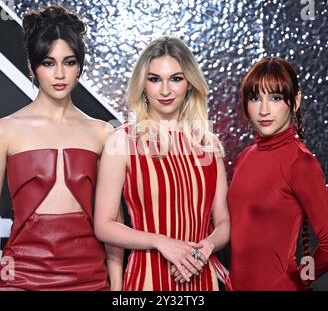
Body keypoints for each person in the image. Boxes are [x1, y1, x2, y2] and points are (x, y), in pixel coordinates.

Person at [0, 5, 122, 291]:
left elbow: (114, 218)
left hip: (89, 277)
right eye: (48, 62)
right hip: (22, 275)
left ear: (80, 65)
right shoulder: (2, 131)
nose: (59, 74)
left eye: (69, 62)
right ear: (32, 66)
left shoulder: (103, 133)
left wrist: (116, 285)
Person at [94, 36, 230, 291]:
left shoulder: (207, 145)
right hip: (146, 280)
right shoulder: (122, 141)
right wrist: (161, 242)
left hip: (202, 279)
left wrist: (205, 248)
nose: (165, 90)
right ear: (143, 85)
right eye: (155, 79)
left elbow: (222, 221)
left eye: (175, 79)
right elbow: (104, 225)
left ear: (189, 83)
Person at [226, 56, 328, 290]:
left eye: (275, 97)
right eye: (255, 98)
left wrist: (297, 281)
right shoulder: (245, 157)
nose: (263, 109)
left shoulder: (300, 164)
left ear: (295, 101)